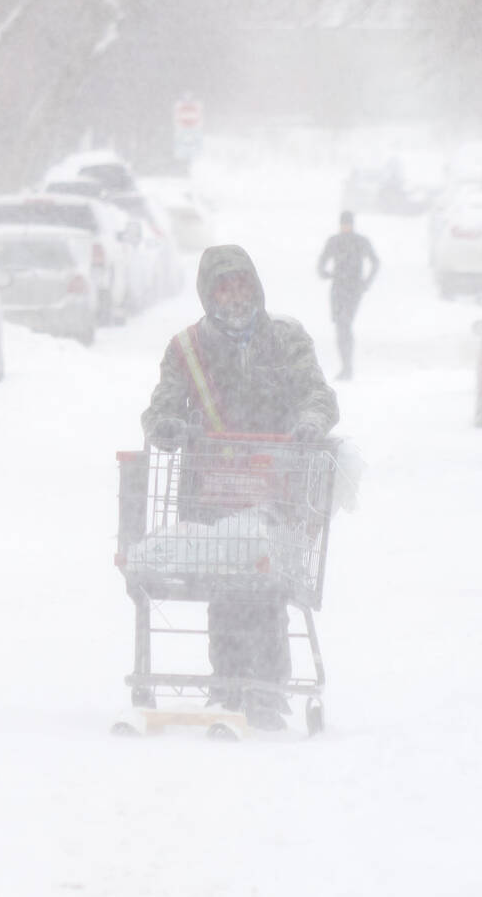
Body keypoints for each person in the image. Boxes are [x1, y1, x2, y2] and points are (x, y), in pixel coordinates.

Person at [140, 245, 339, 730]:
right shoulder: (187, 349)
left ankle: (268, 691)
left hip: (274, 486)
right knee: (226, 586)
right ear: (208, 295)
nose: (234, 296)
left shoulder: (286, 340)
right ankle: (227, 685)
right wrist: (167, 426)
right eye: (223, 287)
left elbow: (317, 394)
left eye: (241, 284)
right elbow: (160, 406)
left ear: (256, 287)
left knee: (268, 586)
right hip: (210, 489)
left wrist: (311, 421)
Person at [317, 211, 380, 380]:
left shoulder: (360, 242)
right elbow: (321, 262)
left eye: (348, 223)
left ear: (353, 224)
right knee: (340, 326)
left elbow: (375, 262)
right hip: (338, 288)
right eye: (343, 223)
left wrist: (366, 283)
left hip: (353, 289)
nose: (346, 226)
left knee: (345, 324)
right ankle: (345, 366)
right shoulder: (334, 242)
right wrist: (324, 273)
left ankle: (347, 367)